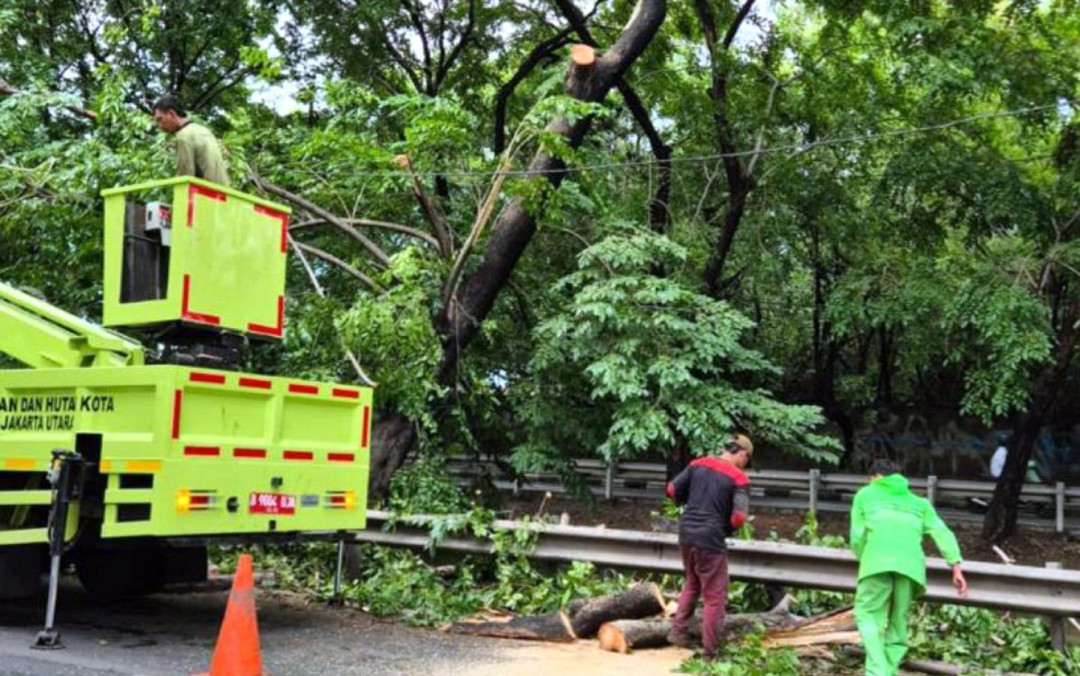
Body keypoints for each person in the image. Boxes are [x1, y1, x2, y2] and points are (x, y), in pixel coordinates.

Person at [850, 458, 968, 676]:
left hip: (876, 562)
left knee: (868, 617)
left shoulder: (865, 494)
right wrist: (956, 567)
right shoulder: (919, 503)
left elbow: (857, 537)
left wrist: (865, 559)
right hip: (911, 567)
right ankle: (889, 670)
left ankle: (877, 672)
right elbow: (942, 533)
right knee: (898, 623)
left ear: (875, 477)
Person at [664, 433, 753, 660]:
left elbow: (672, 490)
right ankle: (710, 652)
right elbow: (739, 517)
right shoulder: (738, 478)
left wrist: (688, 501)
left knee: (693, 582)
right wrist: (726, 529)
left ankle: (678, 631)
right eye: (747, 459)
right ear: (742, 453)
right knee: (715, 596)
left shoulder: (697, 464)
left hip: (686, 532)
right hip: (710, 537)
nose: (746, 464)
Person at [152, 95, 230, 186]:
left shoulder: (183, 135)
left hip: (206, 194)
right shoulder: (202, 130)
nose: (160, 126)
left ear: (171, 114)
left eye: (160, 119)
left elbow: (184, 177)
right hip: (223, 194)